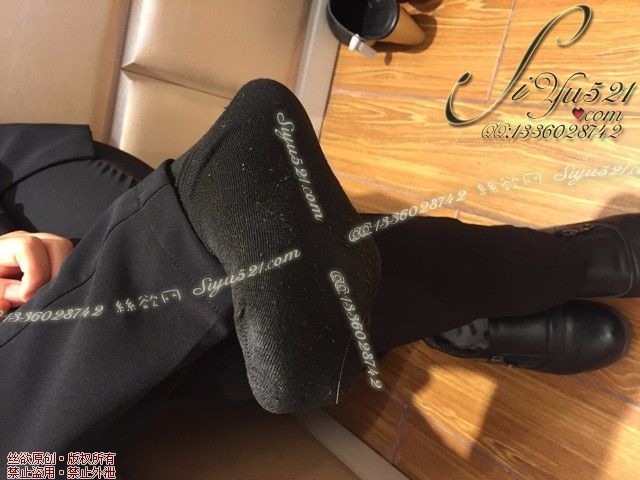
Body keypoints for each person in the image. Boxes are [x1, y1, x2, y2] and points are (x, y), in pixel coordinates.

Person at [0, 79, 633, 459]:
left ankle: (551, 268)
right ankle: (489, 295)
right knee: (275, 294)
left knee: (244, 291)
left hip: (23, 204)